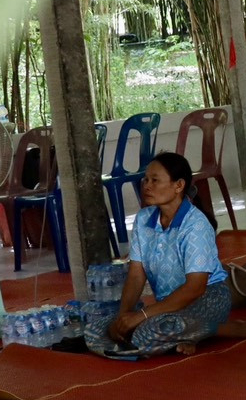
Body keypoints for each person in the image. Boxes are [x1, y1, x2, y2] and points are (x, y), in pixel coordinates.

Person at [96, 152, 231, 356]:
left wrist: (140, 316)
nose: (147, 186)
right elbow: (136, 275)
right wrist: (123, 318)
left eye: (155, 180)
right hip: (167, 305)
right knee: (98, 329)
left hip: (207, 298)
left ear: (179, 185)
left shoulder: (196, 225)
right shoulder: (143, 219)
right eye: (146, 180)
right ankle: (190, 335)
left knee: (146, 333)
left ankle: (221, 329)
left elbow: (195, 288)